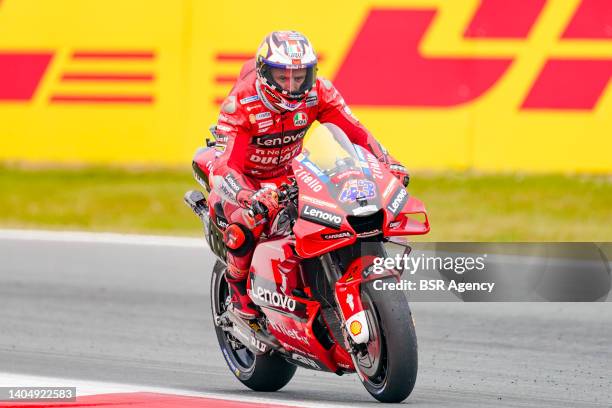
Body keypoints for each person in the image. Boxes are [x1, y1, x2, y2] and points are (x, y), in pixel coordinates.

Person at [209, 30, 409, 319]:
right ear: (265, 73)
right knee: (245, 224)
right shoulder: (240, 103)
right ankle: (239, 296)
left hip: (291, 174)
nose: (292, 85)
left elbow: (356, 132)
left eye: (299, 76)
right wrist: (247, 196)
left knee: (348, 202)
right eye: (282, 76)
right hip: (247, 181)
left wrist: (387, 162)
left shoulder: (320, 91)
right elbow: (223, 167)